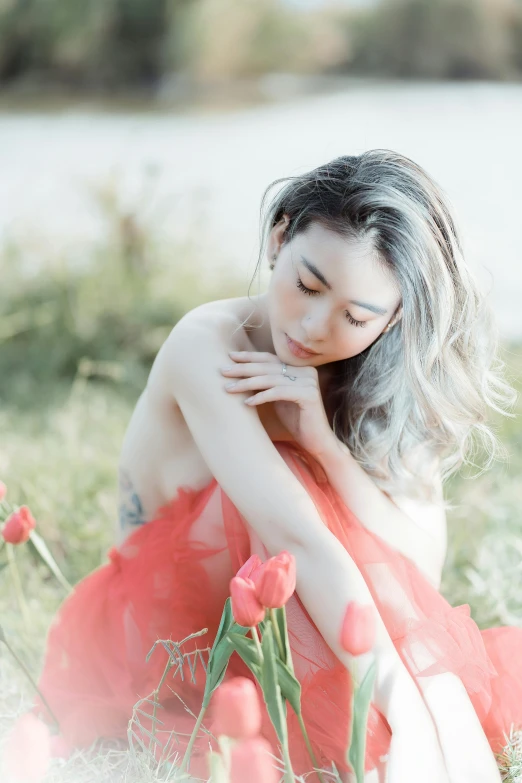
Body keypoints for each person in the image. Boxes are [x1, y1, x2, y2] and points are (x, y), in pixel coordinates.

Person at [23, 151, 521, 782]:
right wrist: (406, 706)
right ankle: (421, 717)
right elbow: (291, 537)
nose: (314, 327)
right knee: (276, 490)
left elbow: (417, 571)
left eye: (356, 316)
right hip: (157, 641)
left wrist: (327, 447)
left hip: (304, 616)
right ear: (278, 237)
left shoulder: (377, 378)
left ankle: (427, 720)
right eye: (307, 287)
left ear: (393, 318)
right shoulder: (209, 344)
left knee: (306, 475)